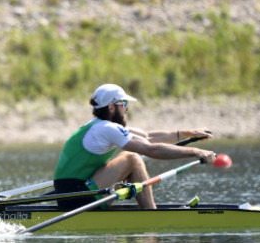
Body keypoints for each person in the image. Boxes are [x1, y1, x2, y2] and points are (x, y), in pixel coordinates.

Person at [53, 83, 216, 210]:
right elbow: (150, 149)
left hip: (72, 193)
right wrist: (196, 152)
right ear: (111, 107)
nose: (126, 108)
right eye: (123, 103)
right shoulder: (107, 128)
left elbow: (148, 137)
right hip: (77, 196)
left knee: (130, 158)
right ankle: (151, 215)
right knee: (132, 158)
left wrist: (190, 133)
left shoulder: (100, 126)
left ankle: (145, 210)